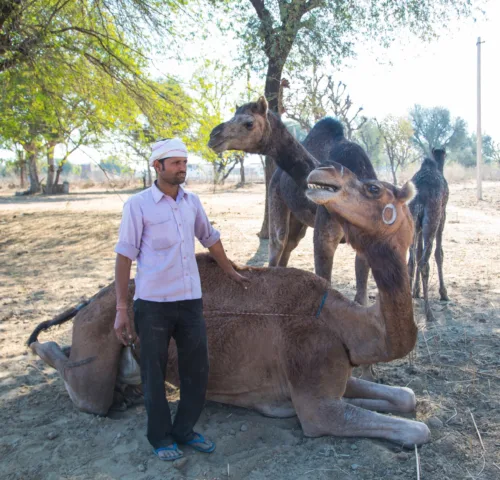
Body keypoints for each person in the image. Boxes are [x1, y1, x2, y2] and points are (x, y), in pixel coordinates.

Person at [113, 138, 249, 461]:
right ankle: (160, 438)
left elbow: (209, 237)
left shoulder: (192, 202)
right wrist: (122, 308)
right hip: (153, 305)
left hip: (190, 302)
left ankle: (184, 429)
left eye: (184, 163)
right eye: (175, 163)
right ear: (157, 166)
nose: (182, 169)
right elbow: (124, 257)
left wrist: (230, 271)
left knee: (197, 370)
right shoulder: (138, 206)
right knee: (154, 372)